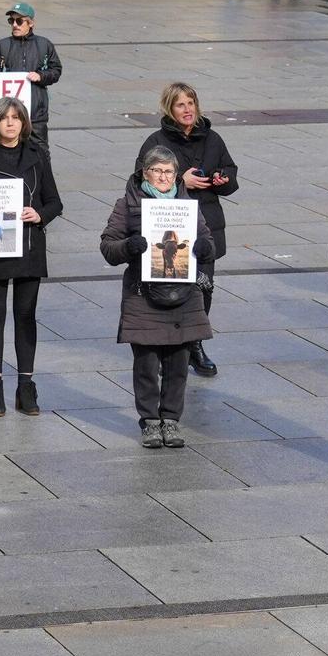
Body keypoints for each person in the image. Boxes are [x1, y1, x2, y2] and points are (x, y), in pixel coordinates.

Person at [101, 146, 217, 450]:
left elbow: (208, 242)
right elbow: (108, 247)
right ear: (145, 173)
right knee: (147, 363)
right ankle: (150, 422)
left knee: (179, 362)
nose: (164, 177)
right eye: (157, 171)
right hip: (144, 295)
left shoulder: (187, 204)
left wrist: (204, 248)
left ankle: (171, 418)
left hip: (184, 295)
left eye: (168, 171)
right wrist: (130, 246)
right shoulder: (127, 204)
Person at [0, 96, 63, 417]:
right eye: (4, 118)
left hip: (30, 245)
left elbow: (54, 202)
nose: (10, 123)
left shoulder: (38, 155)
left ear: (24, 122)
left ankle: (26, 385)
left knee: (25, 314)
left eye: (16, 117)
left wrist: (40, 214)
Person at [136, 82, 238, 377]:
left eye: (191, 103)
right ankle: (164, 344)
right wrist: (182, 181)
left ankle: (194, 344)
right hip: (169, 230)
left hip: (206, 225)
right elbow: (139, 180)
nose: (188, 109)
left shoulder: (213, 138)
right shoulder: (156, 141)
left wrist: (222, 179)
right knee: (166, 288)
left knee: (203, 287)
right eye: (181, 104)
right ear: (170, 108)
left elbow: (232, 175)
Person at [0, 2, 62, 148]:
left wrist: (41, 76)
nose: (15, 25)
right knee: (8, 150)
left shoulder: (44, 44)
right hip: (9, 113)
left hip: (36, 112)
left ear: (31, 23)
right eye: (11, 21)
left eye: (19, 21)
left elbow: (56, 70)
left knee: (39, 150)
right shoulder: (2, 46)